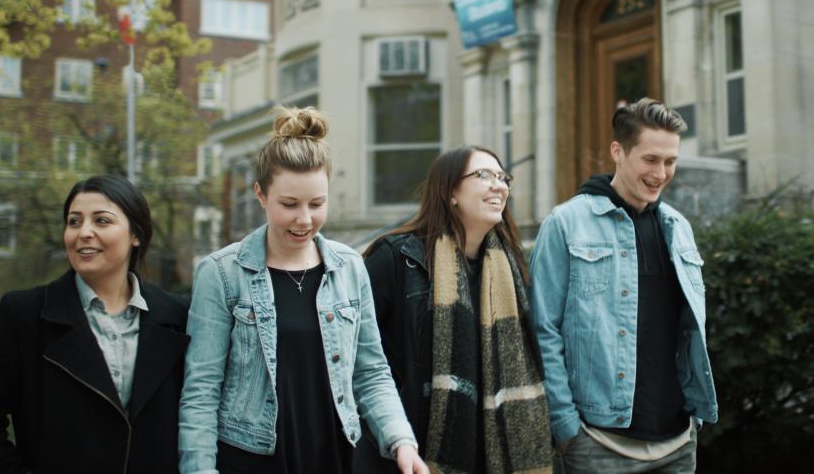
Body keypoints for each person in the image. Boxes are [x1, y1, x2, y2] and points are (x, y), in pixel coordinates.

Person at [178, 106, 427, 474]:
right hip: (249, 460)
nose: (305, 219)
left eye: (317, 203)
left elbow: (371, 372)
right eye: (289, 204)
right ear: (261, 195)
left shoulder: (349, 268)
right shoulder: (221, 273)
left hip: (334, 455)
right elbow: (201, 391)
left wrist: (402, 441)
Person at [528, 98, 718, 473]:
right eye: (650, 160)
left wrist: (694, 421)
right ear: (618, 151)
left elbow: (687, 331)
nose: (661, 173)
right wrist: (566, 428)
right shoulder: (565, 224)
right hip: (598, 442)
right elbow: (541, 329)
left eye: (670, 161)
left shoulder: (678, 228)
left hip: (678, 443)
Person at [0, 175, 190, 474]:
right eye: (74, 222)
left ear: (137, 235)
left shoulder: (177, 315)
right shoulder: (24, 314)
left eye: (102, 221)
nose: (84, 233)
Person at [354, 146, 553, 474]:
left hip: (492, 456)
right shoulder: (396, 259)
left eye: (503, 178)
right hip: (408, 454)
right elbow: (358, 361)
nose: (499, 186)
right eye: (484, 175)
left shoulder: (511, 267)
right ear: (450, 192)